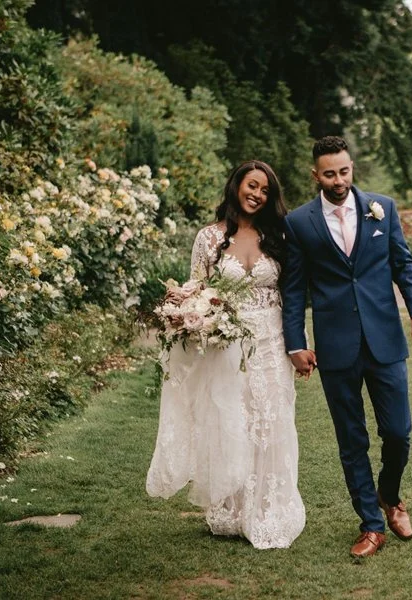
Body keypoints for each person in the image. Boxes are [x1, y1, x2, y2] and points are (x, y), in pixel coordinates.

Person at [281, 136, 412, 558]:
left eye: (344, 171)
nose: (338, 180)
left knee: (398, 433)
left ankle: (390, 494)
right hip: (336, 345)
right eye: (329, 173)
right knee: (352, 441)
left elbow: (403, 264)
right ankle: (371, 524)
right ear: (316, 175)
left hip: (385, 339)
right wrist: (296, 343)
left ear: (351, 168)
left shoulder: (382, 206)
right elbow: (294, 292)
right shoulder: (299, 222)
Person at [146, 160, 305, 550]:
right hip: (227, 342)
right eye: (252, 186)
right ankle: (234, 509)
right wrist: (192, 315)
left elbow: (294, 290)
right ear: (236, 186)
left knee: (273, 419)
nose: (257, 194)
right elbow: (196, 290)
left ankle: (270, 509)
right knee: (233, 420)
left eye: (265, 190)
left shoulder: (278, 236)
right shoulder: (208, 237)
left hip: (271, 339)